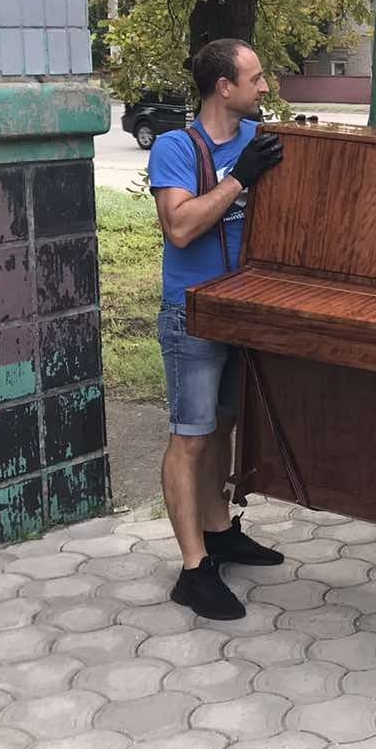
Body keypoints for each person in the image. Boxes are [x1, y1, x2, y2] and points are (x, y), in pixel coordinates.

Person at [149, 38, 288, 620]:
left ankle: (220, 530)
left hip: (242, 309)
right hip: (193, 312)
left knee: (225, 426)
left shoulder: (261, 139)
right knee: (191, 436)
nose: (264, 87)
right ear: (224, 88)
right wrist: (238, 179)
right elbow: (179, 228)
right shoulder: (177, 147)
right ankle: (192, 569)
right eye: (254, 79)